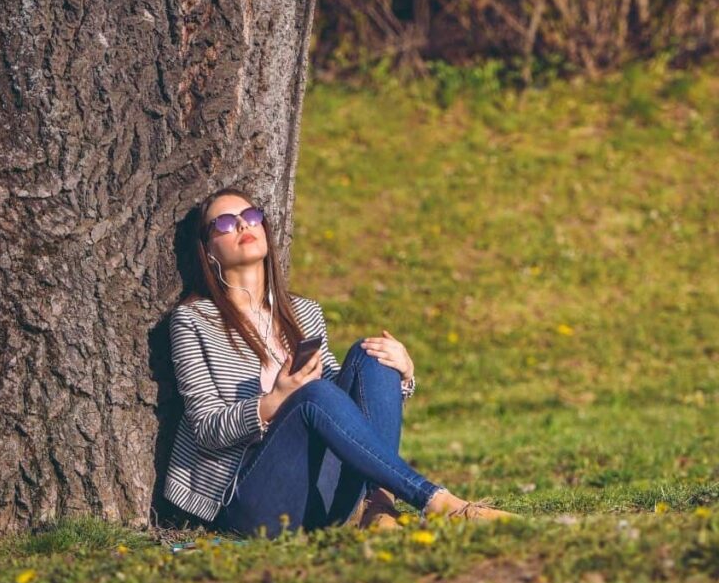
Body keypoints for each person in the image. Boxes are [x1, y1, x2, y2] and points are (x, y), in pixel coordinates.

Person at [161, 186, 516, 538]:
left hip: (315, 491)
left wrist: (403, 375)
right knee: (313, 395)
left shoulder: (303, 312)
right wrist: (275, 402)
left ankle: (378, 506)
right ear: (208, 251)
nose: (242, 226)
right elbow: (207, 429)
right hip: (249, 497)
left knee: (371, 354)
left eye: (251, 216)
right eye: (224, 223)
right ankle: (439, 503)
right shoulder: (194, 321)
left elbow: (344, 406)